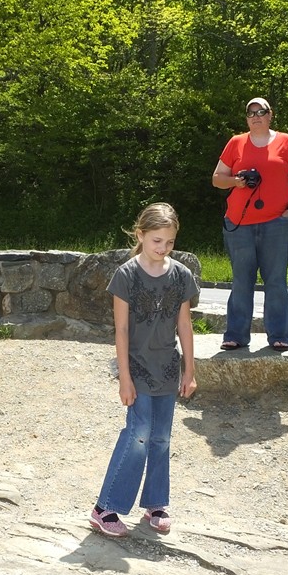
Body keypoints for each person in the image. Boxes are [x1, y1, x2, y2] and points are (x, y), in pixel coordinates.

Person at [89, 203, 198, 538]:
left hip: (167, 367)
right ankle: (104, 508)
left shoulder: (181, 275)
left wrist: (190, 371)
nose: (163, 248)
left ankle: (156, 503)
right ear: (140, 235)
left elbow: (184, 324)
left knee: (161, 437)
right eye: (156, 241)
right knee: (138, 435)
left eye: (169, 242)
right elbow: (121, 330)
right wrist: (124, 377)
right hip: (136, 367)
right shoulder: (126, 275)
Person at [212, 97, 288, 352]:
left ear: (270, 115)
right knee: (241, 280)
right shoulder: (236, 142)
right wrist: (236, 181)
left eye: (261, 112)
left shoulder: (286, 142)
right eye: (251, 113)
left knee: (276, 280)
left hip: (277, 223)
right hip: (239, 224)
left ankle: (280, 336)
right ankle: (235, 335)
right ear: (246, 118)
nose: (256, 116)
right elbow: (217, 179)